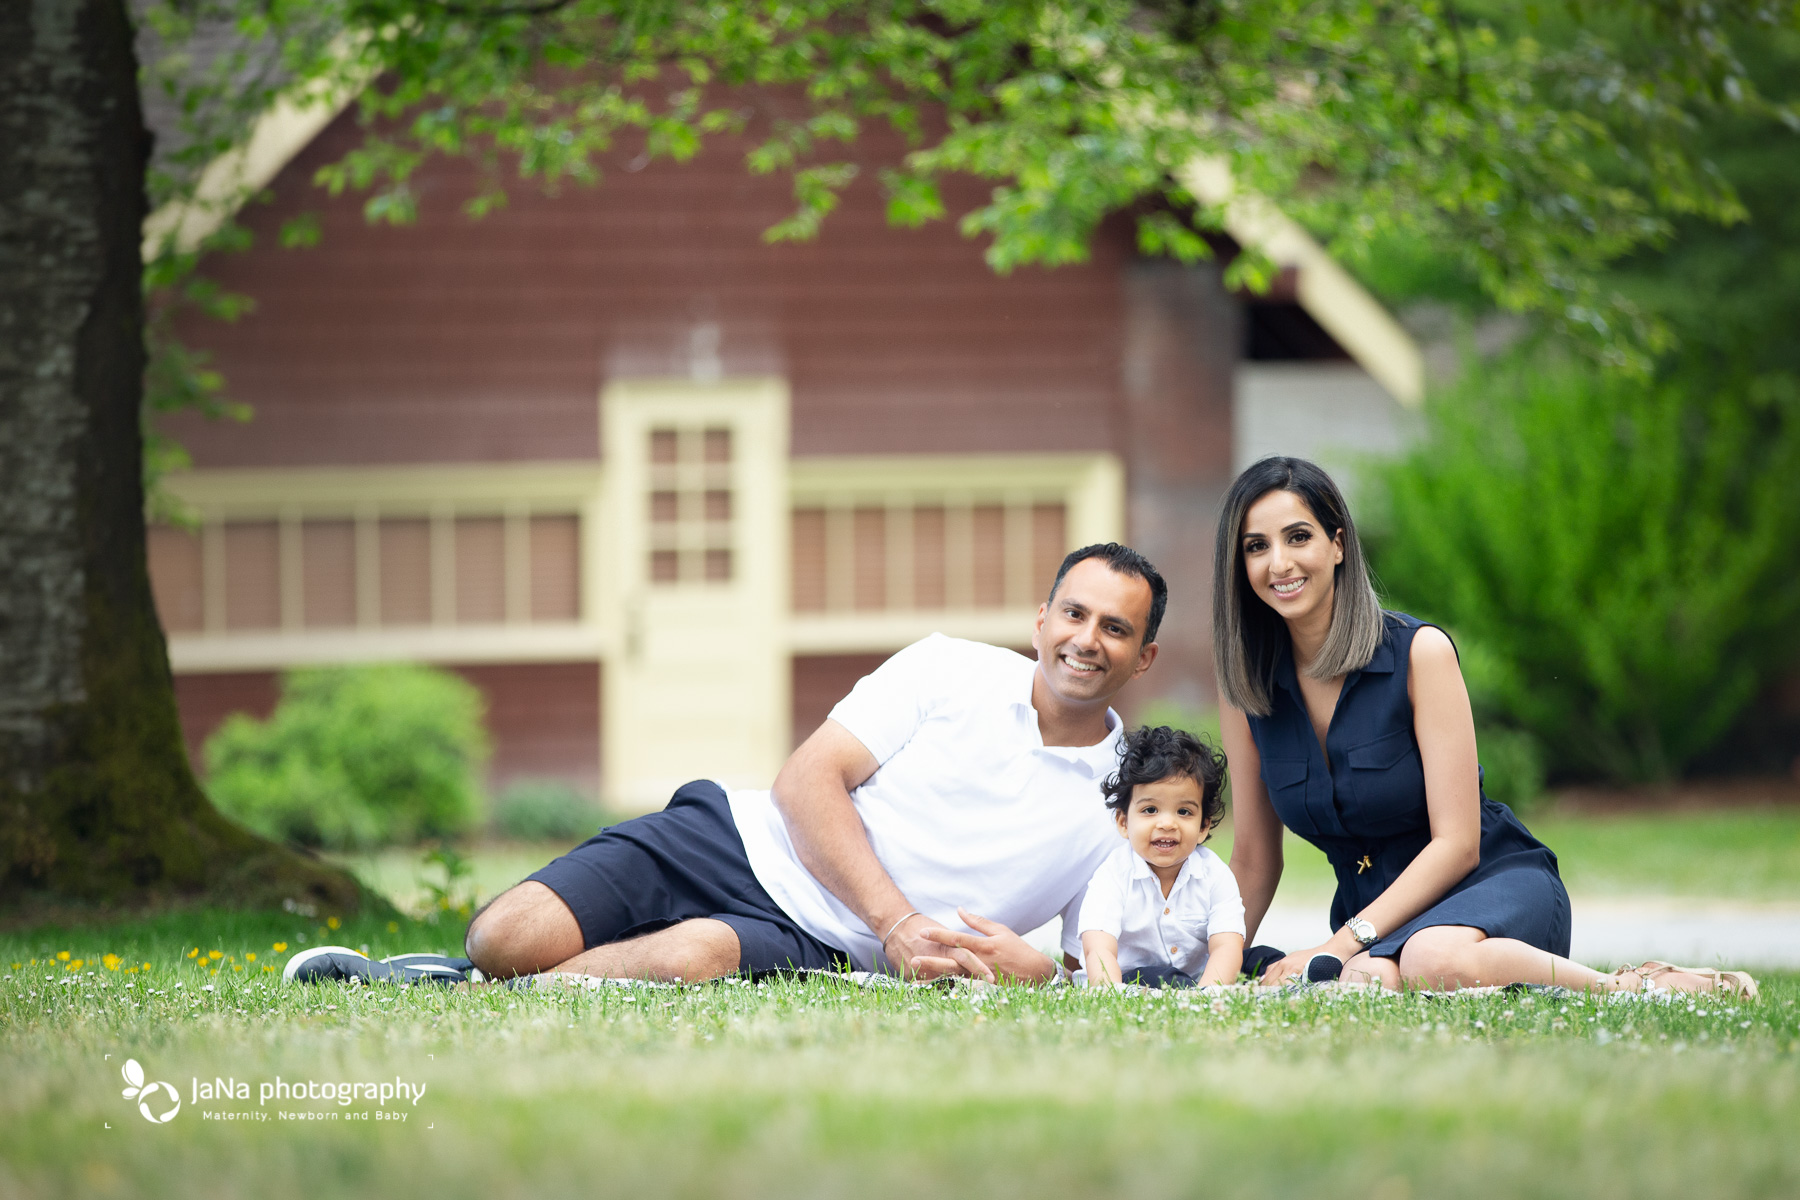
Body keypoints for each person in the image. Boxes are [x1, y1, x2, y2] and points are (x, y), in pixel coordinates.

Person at [460, 543, 1168, 985]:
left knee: (688, 959)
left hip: (822, 945)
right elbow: (805, 780)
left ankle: (487, 992)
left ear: (1144, 659)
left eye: (1115, 628)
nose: (1086, 639)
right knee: (503, 938)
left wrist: (1042, 972)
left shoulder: (1124, 806)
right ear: (1041, 619)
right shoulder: (948, 667)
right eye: (1075, 614)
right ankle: (482, 971)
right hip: (736, 840)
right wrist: (895, 922)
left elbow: (1092, 964)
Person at [1215, 456, 1758, 998]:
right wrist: (1209, 970)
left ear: (1338, 545)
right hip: (1374, 920)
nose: (1279, 562)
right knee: (1367, 980)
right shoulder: (1246, 690)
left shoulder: (1418, 654)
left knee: (1431, 958)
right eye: (1256, 546)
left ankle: (1631, 987)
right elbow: (1255, 859)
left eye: (1298, 537)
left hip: (1489, 882)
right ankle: (1398, 960)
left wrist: (1342, 942)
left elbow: (1458, 844)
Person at [1079, 725, 1244, 989]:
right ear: (1123, 822)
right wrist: (1110, 992)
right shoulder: (1113, 876)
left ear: (1203, 827)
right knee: (1159, 977)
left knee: (1259, 958)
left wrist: (1208, 995)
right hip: (1131, 977)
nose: (1167, 823)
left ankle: (1302, 975)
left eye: (1184, 812)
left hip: (1198, 978)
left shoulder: (1215, 874)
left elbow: (1227, 944)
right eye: (1151, 809)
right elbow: (1099, 948)